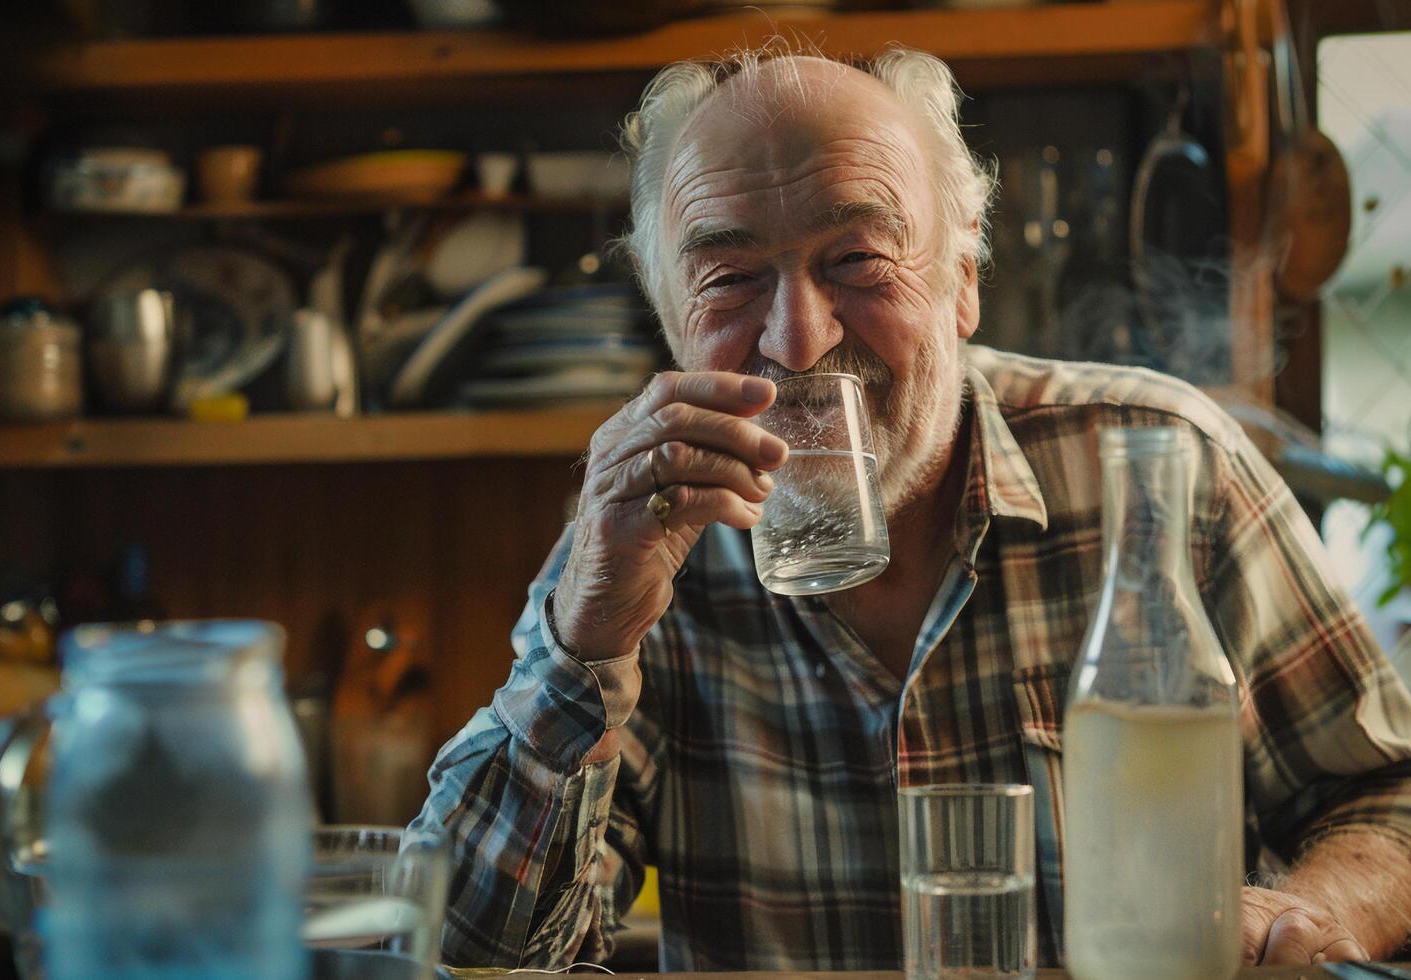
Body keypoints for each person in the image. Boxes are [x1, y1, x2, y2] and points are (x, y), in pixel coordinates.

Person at [408, 46, 1411, 971]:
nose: (797, 339)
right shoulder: (634, 549)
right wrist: (585, 642)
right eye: (731, 278)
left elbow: (1388, 794)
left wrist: (1302, 910)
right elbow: (457, 952)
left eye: (856, 260)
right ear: (674, 319)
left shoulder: (1162, 467)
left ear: (962, 281)